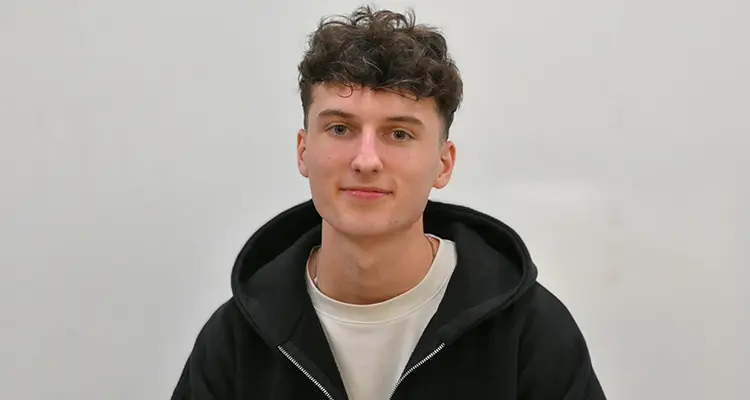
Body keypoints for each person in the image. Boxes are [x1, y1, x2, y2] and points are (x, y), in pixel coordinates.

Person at [172, 6, 605, 400]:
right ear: (303, 151)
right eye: (340, 129)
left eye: (399, 134)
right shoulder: (235, 341)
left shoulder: (529, 334)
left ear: (443, 163)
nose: (365, 160)